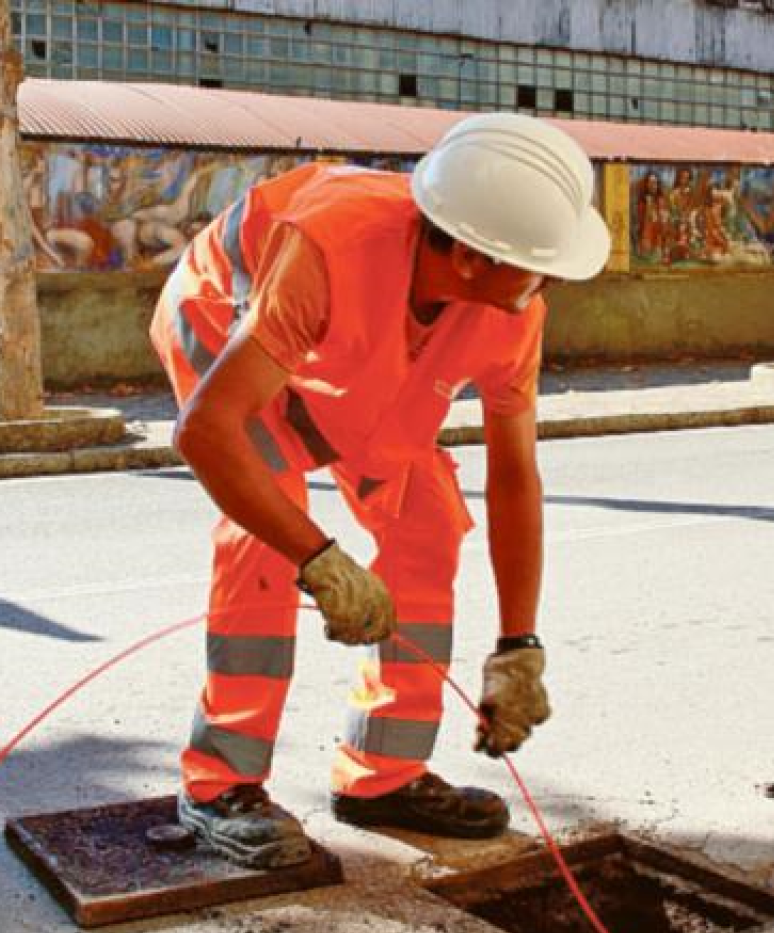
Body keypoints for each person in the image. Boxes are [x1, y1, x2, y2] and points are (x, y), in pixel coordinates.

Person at [150, 113, 608, 870]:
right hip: (224, 316)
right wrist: (318, 557)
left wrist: (519, 645)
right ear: (468, 254)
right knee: (268, 529)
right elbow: (206, 433)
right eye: (539, 264)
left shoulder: (510, 312)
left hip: (347, 348)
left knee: (426, 520)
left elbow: (515, 473)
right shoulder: (332, 245)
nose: (550, 281)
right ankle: (220, 785)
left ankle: (381, 773)